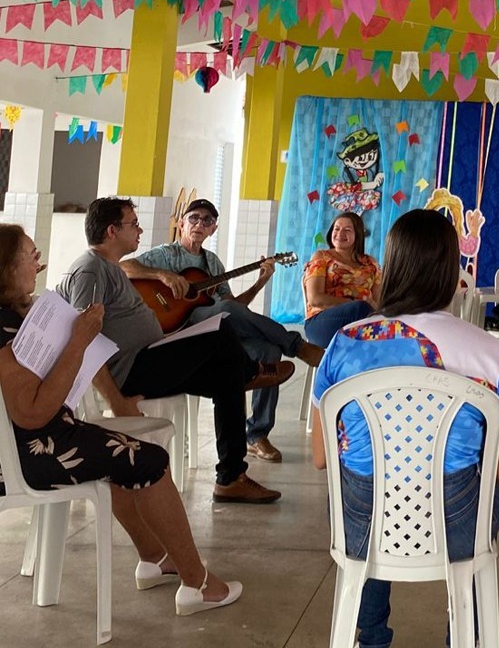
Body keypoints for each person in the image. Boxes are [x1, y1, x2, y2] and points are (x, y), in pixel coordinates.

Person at [0, 224, 242, 615]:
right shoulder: (3, 330)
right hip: (26, 452)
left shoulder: (12, 316)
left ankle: (153, 556)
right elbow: (32, 413)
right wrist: (77, 341)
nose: (40, 263)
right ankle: (197, 583)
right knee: (149, 461)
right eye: (30, 256)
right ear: (7, 268)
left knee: (114, 455)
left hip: (34, 439)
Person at [311, 208, 499, 648]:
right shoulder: (490, 353)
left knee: (365, 487)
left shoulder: (344, 343)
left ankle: (367, 637)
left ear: (389, 268)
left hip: (362, 524)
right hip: (457, 524)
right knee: (484, 491)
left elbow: (320, 457)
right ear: (451, 272)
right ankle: (466, 635)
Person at [57, 197, 287, 505]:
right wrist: (116, 401)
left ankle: (231, 478)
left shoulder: (109, 267)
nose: (139, 230)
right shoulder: (90, 271)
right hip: (129, 372)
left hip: (149, 357)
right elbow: (83, 340)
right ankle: (252, 372)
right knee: (220, 332)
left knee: (226, 376)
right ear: (112, 231)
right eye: (133, 224)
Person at [121, 197, 322, 463]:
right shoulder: (166, 254)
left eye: (207, 220)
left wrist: (260, 282)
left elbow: (236, 308)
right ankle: (297, 346)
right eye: (193, 218)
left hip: (218, 329)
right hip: (182, 330)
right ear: (182, 224)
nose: (199, 224)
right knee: (225, 311)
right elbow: (124, 267)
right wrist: (163, 275)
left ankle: (258, 435)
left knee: (268, 350)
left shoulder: (213, 263)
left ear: (213, 229)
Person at [302, 212, 382, 349]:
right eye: (337, 229)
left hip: (363, 320)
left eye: (347, 230)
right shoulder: (321, 256)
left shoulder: (371, 263)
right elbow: (315, 299)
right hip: (322, 322)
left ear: (358, 235)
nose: (340, 233)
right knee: (361, 310)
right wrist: (352, 304)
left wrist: (373, 308)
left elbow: (379, 303)